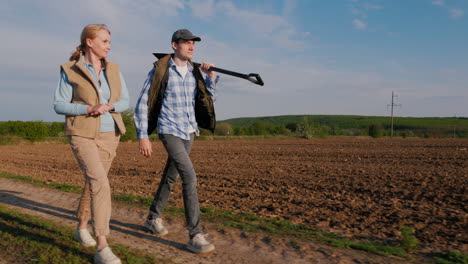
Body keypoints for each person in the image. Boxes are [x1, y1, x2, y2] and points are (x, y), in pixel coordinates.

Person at [134, 29, 218, 254]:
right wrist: (143, 135)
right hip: (169, 130)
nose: (191, 47)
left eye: (193, 43)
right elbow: (143, 102)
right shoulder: (161, 70)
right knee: (189, 176)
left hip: (189, 131)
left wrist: (210, 79)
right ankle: (195, 234)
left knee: (171, 176)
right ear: (174, 45)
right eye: (186, 43)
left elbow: (206, 99)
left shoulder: (194, 71)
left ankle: (153, 218)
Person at [53, 24, 129, 264]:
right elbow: (59, 104)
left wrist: (111, 106)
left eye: (109, 41)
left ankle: (81, 226)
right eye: (105, 41)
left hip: (110, 135)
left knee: (94, 183)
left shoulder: (115, 70)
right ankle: (102, 246)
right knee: (100, 183)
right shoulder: (70, 70)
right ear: (89, 42)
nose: (109, 46)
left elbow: (125, 100)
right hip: (82, 134)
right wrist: (89, 108)